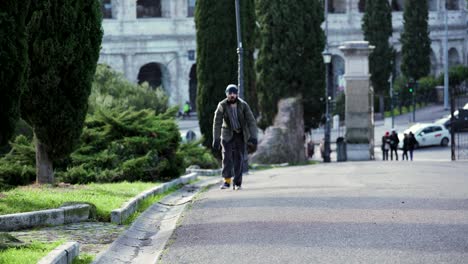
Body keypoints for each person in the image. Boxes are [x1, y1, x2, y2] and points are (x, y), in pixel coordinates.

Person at [212, 84, 258, 190]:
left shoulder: (243, 105)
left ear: (237, 94)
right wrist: (216, 138)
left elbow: (251, 121)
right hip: (227, 133)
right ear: (227, 94)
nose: (232, 95)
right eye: (230, 93)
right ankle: (226, 181)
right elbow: (217, 122)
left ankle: (237, 183)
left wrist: (254, 136)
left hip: (240, 134)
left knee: (239, 158)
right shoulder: (222, 105)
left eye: (234, 93)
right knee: (227, 157)